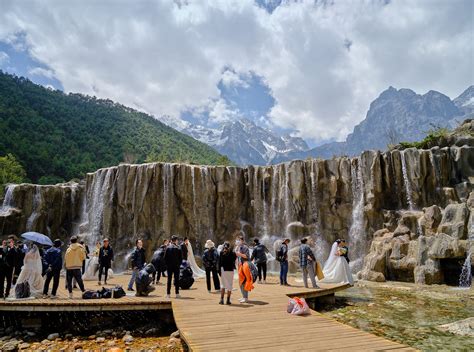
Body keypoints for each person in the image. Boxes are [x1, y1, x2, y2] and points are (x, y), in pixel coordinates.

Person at [235, 234, 252, 303]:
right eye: (237, 240)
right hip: (239, 266)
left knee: (244, 282)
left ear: (242, 241)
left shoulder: (245, 247)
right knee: (240, 282)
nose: (237, 241)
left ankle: (246, 297)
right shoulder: (238, 247)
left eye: (239, 240)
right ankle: (243, 296)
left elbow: (247, 256)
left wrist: (239, 254)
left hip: (244, 266)